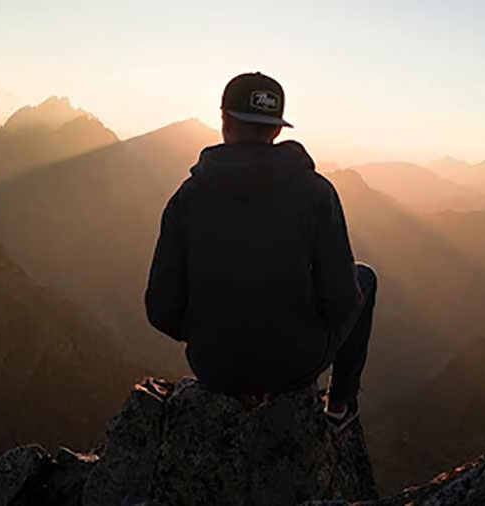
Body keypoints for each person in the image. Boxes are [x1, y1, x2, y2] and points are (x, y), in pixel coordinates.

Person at [145, 72, 376, 429]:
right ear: (278, 130)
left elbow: (161, 309)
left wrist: (215, 332)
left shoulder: (187, 197)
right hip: (293, 367)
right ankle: (339, 406)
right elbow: (343, 298)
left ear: (225, 121)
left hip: (214, 367)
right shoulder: (317, 194)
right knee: (365, 277)